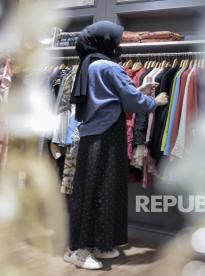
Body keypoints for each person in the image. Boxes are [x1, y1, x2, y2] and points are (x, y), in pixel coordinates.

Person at [64, 21, 168, 270]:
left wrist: (137, 89)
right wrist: (155, 101)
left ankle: (96, 243)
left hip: (93, 136)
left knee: (95, 189)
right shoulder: (110, 66)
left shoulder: (89, 64)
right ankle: (77, 250)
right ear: (106, 41)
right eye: (116, 39)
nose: (119, 44)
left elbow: (110, 96)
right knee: (99, 190)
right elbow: (133, 103)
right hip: (107, 135)